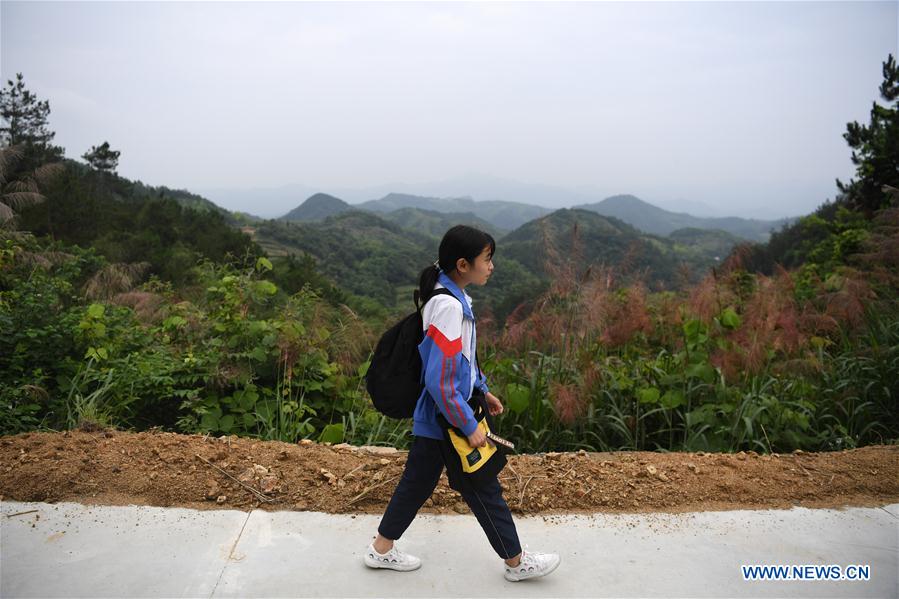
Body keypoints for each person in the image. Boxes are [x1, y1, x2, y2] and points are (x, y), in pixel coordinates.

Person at [363, 224, 561, 582]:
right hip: (447, 417)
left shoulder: (451, 297)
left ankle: (381, 549)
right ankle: (517, 563)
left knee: (418, 484)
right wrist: (468, 425)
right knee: (482, 484)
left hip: (440, 414)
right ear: (462, 264)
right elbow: (441, 380)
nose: (492, 266)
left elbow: (461, 361)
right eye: (487, 259)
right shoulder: (448, 307)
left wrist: (482, 390)